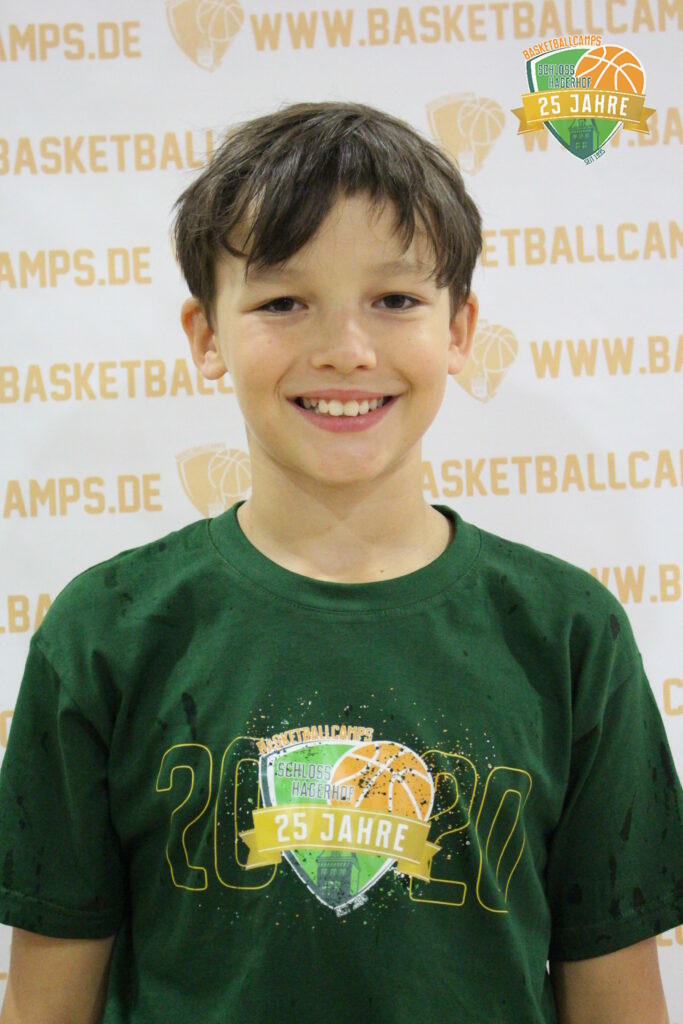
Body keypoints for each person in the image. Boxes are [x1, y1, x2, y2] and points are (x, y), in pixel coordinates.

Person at [0, 102, 681, 1024]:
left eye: (394, 300)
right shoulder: (108, 629)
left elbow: (615, 996)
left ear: (459, 327)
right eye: (282, 303)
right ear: (206, 336)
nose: (345, 351)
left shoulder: (567, 633)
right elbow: (45, 1001)